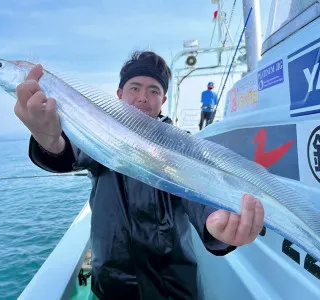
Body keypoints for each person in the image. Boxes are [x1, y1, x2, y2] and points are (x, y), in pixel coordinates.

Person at [15, 51, 264, 300]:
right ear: (119, 94)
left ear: (163, 99)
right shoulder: (98, 132)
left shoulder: (182, 144)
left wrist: (214, 224)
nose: (143, 98)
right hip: (112, 286)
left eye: (153, 91)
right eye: (134, 88)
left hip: (175, 288)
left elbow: (200, 193)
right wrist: (47, 139)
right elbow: (67, 153)